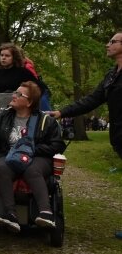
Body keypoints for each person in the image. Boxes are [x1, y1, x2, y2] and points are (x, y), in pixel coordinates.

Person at [50, 31, 122, 239]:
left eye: (113, 42)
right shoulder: (111, 75)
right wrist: (62, 112)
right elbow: (92, 100)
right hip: (119, 135)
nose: (107, 45)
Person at [0, 82, 65, 232]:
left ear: (29, 102)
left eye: (20, 94)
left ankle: (45, 212)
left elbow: (57, 145)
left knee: (32, 170)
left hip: (37, 157)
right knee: (2, 167)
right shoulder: (3, 116)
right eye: (15, 92)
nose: (14, 96)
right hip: (9, 155)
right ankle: (10, 214)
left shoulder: (45, 121)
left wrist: (32, 150)